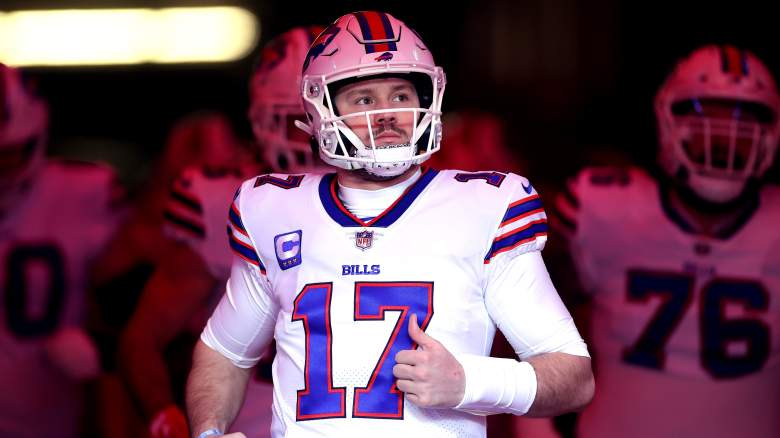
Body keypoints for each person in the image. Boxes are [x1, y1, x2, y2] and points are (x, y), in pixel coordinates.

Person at [186, 11, 594, 438]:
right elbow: (225, 353)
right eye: (364, 100)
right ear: (319, 109)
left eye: (400, 95)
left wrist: (468, 382)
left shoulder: (485, 206)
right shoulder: (272, 209)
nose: (387, 115)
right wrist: (209, 431)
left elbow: (573, 377)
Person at [553, 45, 780, 438]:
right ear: (666, 119)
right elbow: (523, 329)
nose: (724, 134)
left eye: (742, 117)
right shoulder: (599, 209)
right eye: (706, 113)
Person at [118, 26, 325, 438]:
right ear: (263, 118)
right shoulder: (226, 202)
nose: (321, 135)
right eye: (302, 121)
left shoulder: (417, 197)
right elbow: (141, 340)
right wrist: (168, 417)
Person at [0, 63, 124, 437]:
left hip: (52, 419)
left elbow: (134, 305)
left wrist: (102, 346)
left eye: (7, 154)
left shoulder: (84, 193)